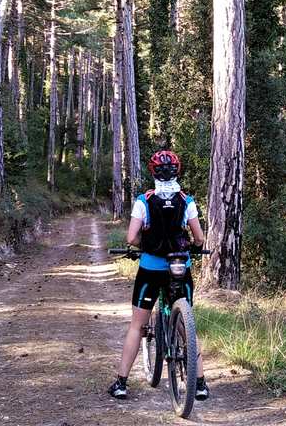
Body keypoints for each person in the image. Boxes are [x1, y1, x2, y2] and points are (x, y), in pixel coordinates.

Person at [107, 150, 210, 401]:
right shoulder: (187, 201)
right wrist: (193, 247)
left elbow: (131, 238)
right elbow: (199, 238)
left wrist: (145, 243)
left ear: (153, 172)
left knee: (137, 325)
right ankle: (199, 384)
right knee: (188, 326)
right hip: (179, 267)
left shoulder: (144, 200)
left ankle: (121, 382)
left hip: (151, 268)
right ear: (178, 171)